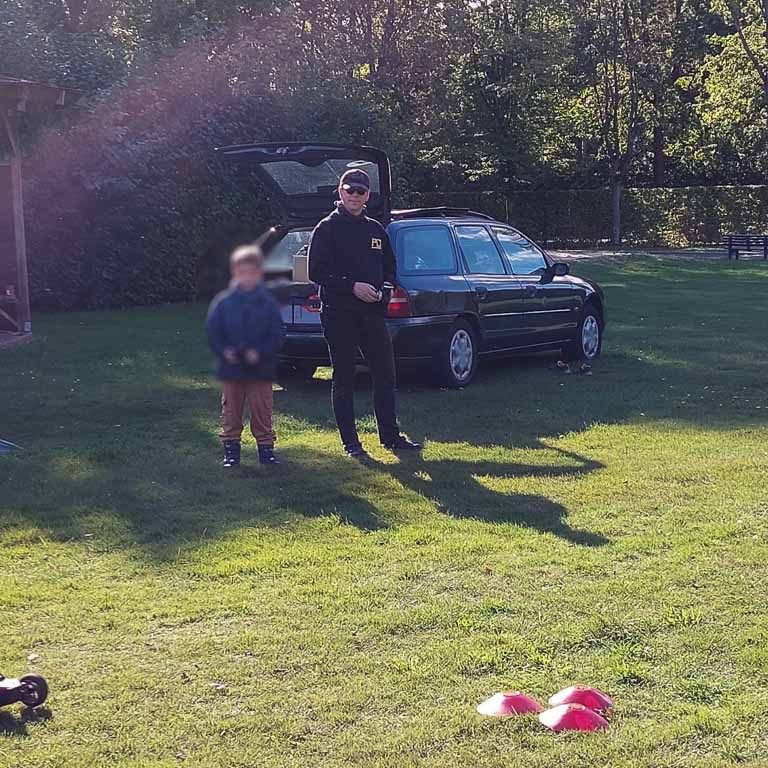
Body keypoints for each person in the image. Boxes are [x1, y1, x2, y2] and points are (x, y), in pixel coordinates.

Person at [308, 168, 421, 458]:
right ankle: (351, 442)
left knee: (386, 374)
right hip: (339, 313)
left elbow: (390, 267)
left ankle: (390, 436)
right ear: (340, 192)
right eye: (350, 190)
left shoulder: (375, 229)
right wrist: (352, 287)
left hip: (372, 314)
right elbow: (316, 272)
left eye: (360, 191)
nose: (355, 196)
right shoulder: (326, 228)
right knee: (344, 377)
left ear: (367, 195)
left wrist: (385, 288)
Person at [206, 244, 285, 467]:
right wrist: (225, 351)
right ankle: (231, 452)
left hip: (260, 367)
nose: (247, 277)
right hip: (232, 368)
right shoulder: (223, 302)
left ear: (259, 273)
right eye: (242, 272)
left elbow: (276, 333)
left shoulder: (267, 303)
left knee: (262, 409)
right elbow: (214, 332)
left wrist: (260, 352)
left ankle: (266, 451)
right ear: (234, 272)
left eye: (252, 272)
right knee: (231, 410)